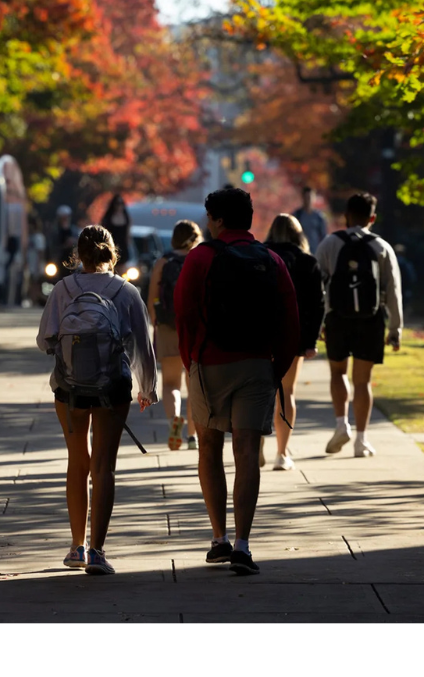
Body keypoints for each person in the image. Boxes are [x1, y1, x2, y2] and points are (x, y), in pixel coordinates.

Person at [174, 186, 300, 576]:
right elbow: (291, 322)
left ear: (218, 220)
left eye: (210, 218)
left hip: (210, 362)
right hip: (258, 365)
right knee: (248, 453)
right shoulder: (271, 260)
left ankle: (218, 538)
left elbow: (183, 315)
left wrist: (192, 360)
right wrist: (273, 367)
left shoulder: (201, 258)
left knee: (209, 448)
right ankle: (243, 545)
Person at [37, 225, 158, 576]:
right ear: (112, 252)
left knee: (78, 460)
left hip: (69, 388)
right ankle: (98, 551)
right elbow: (142, 348)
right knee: (104, 465)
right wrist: (147, 388)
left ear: (78, 254)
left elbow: (45, 340)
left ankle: (75, 546)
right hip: (113, 387)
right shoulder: (126, 291)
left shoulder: (63, 289)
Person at [315, 193, 403, 459]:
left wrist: (318, 321)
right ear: (372, 218)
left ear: (345, 216)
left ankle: (342, 424)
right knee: (363, 381)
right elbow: (393, 288)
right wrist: (395, 328)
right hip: (371, 320)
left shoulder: (330, 243)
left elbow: (316, 285)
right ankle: (361, 441)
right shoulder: (382, 247)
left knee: (338, 373)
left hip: (337, 318)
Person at [264, 214, 323, 471]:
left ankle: (255, 447)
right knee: (286, 393)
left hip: (262, 336)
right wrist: (310, 341)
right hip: (294, 335)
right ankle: (281, 452)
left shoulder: (261, 257)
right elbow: (316, 305)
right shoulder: (307, 262)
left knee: (260, 392)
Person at [147, 219, 203, 452]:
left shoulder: (163, 262)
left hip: (169, 327)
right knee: (194, 385)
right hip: (196, 329)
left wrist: (155, 323)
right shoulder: (199, 259)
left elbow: (152, 298)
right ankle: (192, 436)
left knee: (171, 383)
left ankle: (174, 423)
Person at [292, 185, 328, 257]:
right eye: (306, 197)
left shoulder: (319, 217)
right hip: (300, 253)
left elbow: (323, 236)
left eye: (310, 197)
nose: (308, 200)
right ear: (302, 197)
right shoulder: (297, 215)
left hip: (315, 253)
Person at [101, 194, 131, 262]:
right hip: (111, 248)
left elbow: (128, 235)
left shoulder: (126, 218)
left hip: (123, 248)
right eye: (117, 203)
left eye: (121, 203)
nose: (119, 206)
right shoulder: (108, 218)